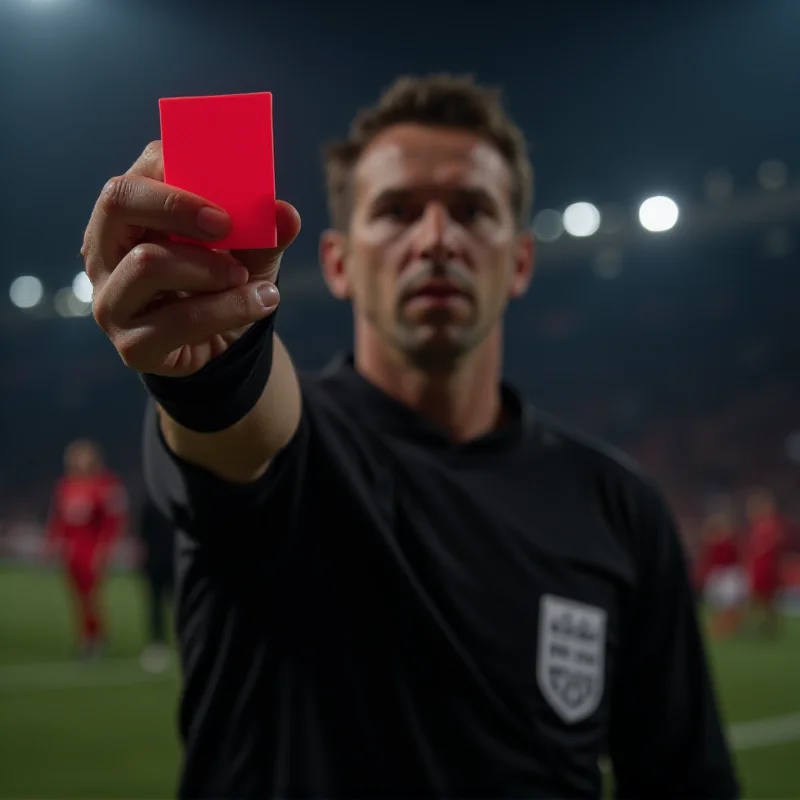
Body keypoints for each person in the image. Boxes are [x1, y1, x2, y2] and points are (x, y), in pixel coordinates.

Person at [83, 75, 738, 798]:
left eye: (471, 210)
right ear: (337, 262)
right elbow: (241, 428)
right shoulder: (297, 447)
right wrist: (217, 360)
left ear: (519, 260)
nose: (435, 239)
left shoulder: (621, 507)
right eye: (397, 211)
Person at [45, 439, 127, 658]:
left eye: (82, 455)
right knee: (77, 597)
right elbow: (58, 520)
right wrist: (54, 544)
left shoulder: (106, 484)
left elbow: (112, 522)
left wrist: (104, 550)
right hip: (71, 551)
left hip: (92, 550)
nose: (77, 460)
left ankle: (97, 638)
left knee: (92, 597)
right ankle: (85, 637)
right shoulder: (65, 485)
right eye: (74, 456)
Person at [135, 492, 176, 672]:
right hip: (155, 563)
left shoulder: (181, 501)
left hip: (176, 563)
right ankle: (157, 642)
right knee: (155, 605)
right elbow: (142, 536)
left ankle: (187, 639)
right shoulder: (150, 501)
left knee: (180, 605)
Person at [695, 510, 746, 639]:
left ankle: (728, 627)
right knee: (720, 604)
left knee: (730, 604)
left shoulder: (729, 541)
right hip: (719, 575)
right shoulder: (713, 542)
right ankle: (722, 627)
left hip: (728, 575)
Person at [744, 487, 788, 636]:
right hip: (758, 568)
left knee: (766, 601)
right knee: (757, 600)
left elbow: (776, 546)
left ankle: (767, 627)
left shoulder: (773, 525)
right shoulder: (756, 527)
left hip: (768, 569)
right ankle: (763, 626)